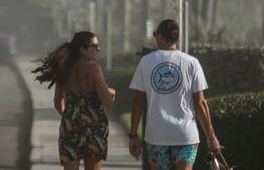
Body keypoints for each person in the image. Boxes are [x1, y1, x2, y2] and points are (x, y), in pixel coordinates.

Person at [128, 19, 221, 170]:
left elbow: (138, 102)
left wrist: (133, 136)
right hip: (185, 136)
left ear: (158, 36)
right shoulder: (192, 63)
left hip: (156, 136)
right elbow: (200, 103)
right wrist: (211, 138)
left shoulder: (146, 62)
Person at [34, 31, 117, 170]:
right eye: (95, 46)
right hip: (94, 128)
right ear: (82, 50)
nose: (99, 49)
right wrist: (113, 92)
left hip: (70, 127)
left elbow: (57, 101)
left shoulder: (64, 68)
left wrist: (70, 117)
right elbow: (107, 101)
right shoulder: (94, 68)